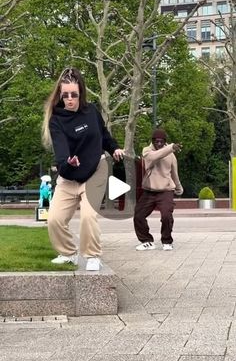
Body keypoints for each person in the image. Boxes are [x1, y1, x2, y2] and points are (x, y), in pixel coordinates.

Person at [42, 67, 123, 270]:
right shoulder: (56, 120)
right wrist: (68, 163)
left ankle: (92, 255)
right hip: (69, 176)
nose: (70, 99)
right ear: (60, 95)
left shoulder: (91, 111)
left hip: (95, 170)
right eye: (65, 95)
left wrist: (114, 149)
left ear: (81, 93)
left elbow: (104, 135)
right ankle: (68, 253)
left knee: (88, 215)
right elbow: (61, 153)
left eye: (74, 95)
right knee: (54, 220)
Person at [133, 128, 183, 251]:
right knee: (138, 216)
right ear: (153, 141)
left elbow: (174, 173)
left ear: (164, 141)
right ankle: (147, 241)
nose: (159, 144)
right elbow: (155, 157)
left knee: (166, 216)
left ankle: (167, 241)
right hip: (149, 190)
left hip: (166, 190)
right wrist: (171, 147)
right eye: (156, 142)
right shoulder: (147, 151)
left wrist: (178, 186)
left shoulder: (171, 155)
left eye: (161, 142)